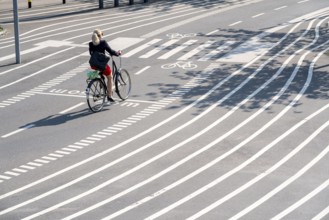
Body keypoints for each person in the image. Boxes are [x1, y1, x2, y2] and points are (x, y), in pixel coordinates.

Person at [89, 29, 121, 103]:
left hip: (93, 65)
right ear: (100, 36)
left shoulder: (90, 44)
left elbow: (91, 54)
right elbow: (111, 51)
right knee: (110, 77)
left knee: (101, 73)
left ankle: (101, 83)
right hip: (101, 65)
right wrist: (118, 53)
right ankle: (109, 96)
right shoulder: (103, 43)